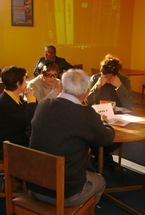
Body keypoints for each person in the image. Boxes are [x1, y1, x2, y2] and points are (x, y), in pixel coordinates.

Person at [29, 69, 115, 207]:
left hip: (36, 186)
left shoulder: (43, 106)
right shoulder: (86, 114)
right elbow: (106, 139)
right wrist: (104, 122)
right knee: (100, 181)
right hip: (66, 193)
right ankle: (83, 209)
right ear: (87, 92)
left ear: (61, 87)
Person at [85, 54, 133, 170]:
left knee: (119, 137)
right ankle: (105, 160)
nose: (108, 78)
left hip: (118, 117)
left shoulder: (124, 80)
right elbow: (88, 102)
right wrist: (97, 86)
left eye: (110, 76)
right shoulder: (95, 78)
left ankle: (100, 158)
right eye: (105, 75)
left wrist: (119, 86)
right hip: (98, 116)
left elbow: (128, 103)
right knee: (94, 134)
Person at [0, 66, 37, 160]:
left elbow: (27, 112)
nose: (26, 83)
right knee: (43, 149)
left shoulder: (12, 97)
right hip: (3, 148)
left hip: (14, 140)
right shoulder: (6, 103)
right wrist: (30, 98)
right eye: (24, 80)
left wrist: (28, 99)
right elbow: (30, 120)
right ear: (18, 84)